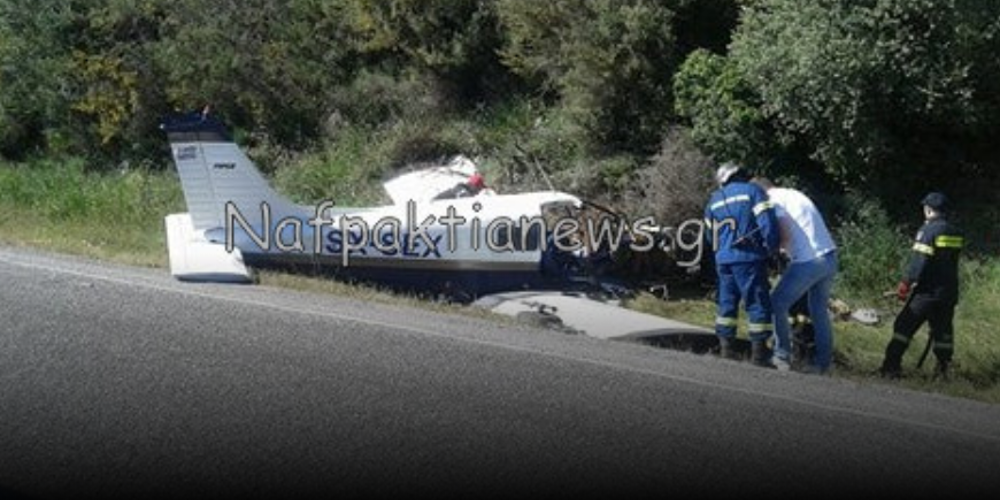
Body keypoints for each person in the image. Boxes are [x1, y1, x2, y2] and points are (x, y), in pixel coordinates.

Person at [751, 177, 838, 374]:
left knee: (776, 303)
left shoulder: (773, 200)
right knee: (818, 311)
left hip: (808, 260)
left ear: (760, 191)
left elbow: (784, 233)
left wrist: (773, 250)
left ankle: (782, 355)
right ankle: (822, 364)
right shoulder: (794, 194)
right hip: (829, 257)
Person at [879, 192, 964, 379]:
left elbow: (919, 261)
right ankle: (943, 371)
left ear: (929, 209)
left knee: (903, 327)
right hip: (948, 293)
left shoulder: (928, 231)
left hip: (927, 292)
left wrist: (906, 284)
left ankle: (891, 367)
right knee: (943, 332)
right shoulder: (956, 232)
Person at [703, 163, 780, 366]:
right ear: (738, 174)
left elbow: (710, 235)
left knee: (726, 303)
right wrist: (772, 250)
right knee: (756, 303)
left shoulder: (714, 199)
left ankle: (726, 350)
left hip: (723, 260)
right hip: (749, 258)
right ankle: (759, 356)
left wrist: (721, 251)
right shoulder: (753, 191)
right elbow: (767, 223)